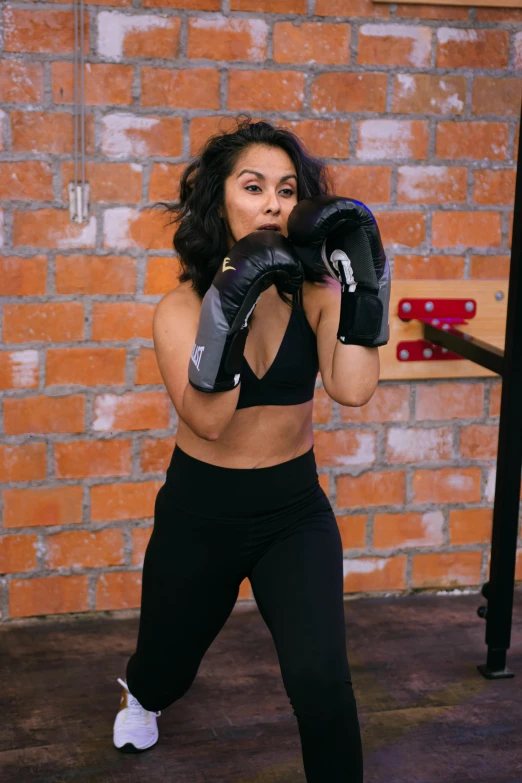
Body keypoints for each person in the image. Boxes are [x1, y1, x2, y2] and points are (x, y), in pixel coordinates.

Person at [112, 116, 390, 783]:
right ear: (221, 202)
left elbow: (353, 388)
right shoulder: (180, 309)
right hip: (201, 513)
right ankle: (142, 694)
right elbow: (208, 420)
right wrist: (230, 301)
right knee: (165, 667)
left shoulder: (318, 296)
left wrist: (366, 286)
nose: (273, 201)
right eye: (254, 186)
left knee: (323, 682)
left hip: (293, 512)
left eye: (288, 189)